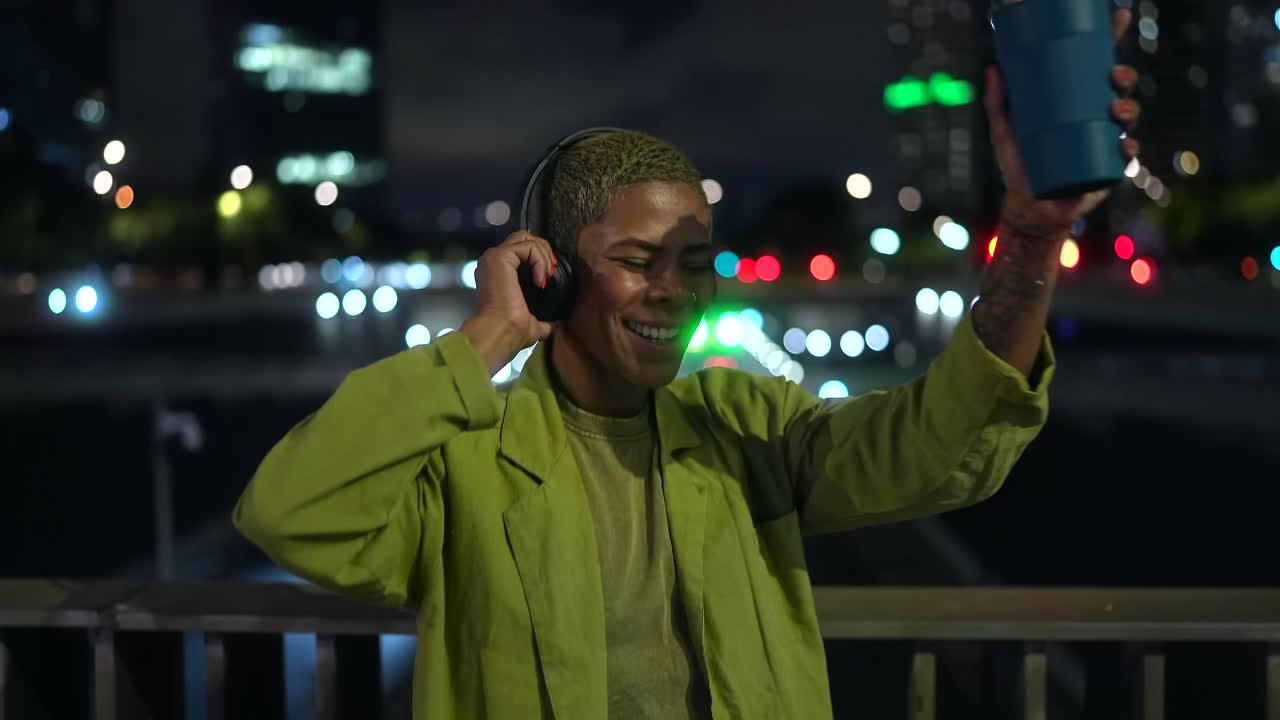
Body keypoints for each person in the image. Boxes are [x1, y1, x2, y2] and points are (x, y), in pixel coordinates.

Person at [234, 10, 1141, 718]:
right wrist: (488, 338)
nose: (674, 291)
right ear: (548, 266)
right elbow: (290, 509)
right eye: (635, 262)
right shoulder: (465, 466)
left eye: (694, 264)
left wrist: (1030, 235)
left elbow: (939, 446)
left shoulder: (750, 430)